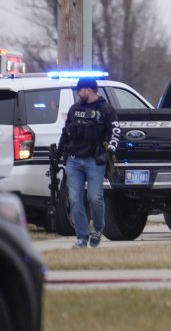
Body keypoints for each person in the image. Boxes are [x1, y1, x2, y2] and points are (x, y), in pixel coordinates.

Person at [54, 77, 121, 249]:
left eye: (80, 89)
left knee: (95, 198)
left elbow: (116, 133)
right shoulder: (74, 109)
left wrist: (108, 154)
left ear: (89, 90)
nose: (78, 92)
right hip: (74, 161)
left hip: (95, 161)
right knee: (75, 200)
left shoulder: (106, 110)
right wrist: (58, 153)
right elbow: (66, 132)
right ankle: (82, 238)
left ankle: (98, 230)